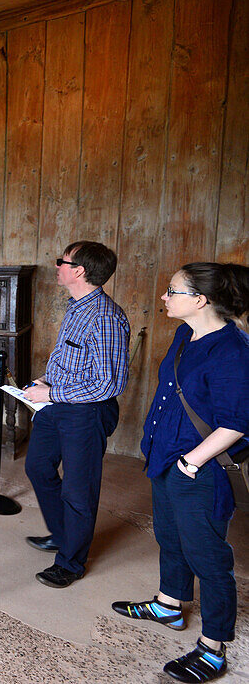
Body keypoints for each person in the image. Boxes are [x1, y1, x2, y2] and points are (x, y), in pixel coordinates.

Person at [111, 262, 249, 683]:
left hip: (199, 468)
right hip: (165, 457)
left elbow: (238, 421)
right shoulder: (185, 333)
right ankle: (169, 604)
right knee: (170, 537)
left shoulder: (233, 350)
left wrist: (192, 462)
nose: (164, 298)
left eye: (172, 291)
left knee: (208, 557)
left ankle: (213, 646)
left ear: (201, 299)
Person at [22, 241, 130, 588]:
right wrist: (46, 380)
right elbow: (71, 359)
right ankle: (63, 534)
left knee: (78, 490)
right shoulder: (77, 306)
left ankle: (70, 562)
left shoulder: (106, 317)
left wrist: (51, 392)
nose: (57, 267)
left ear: (79, 271)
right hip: (57, 404)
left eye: (62, 262)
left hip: (85, 414)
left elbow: (108, 384)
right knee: (37, 466)